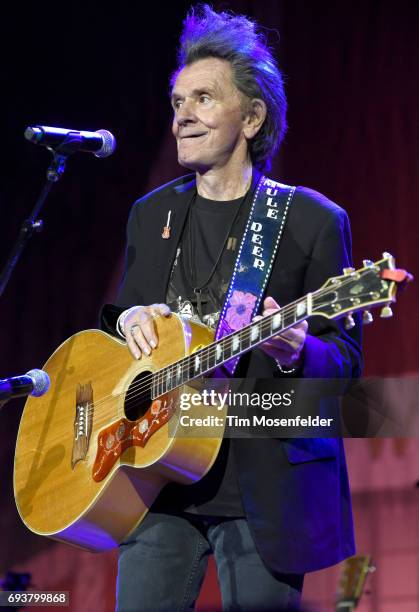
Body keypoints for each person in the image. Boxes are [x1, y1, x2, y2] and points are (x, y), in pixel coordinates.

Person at [100, 5, 362, 611]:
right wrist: (126, 321)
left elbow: (345, 365)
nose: (181, 117)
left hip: (261, 491)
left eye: (202, 99)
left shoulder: (311, 221)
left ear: (251, 117)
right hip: (157, 478)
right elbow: (116, 321)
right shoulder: (151, 214)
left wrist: (299, 349)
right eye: (176, 102)